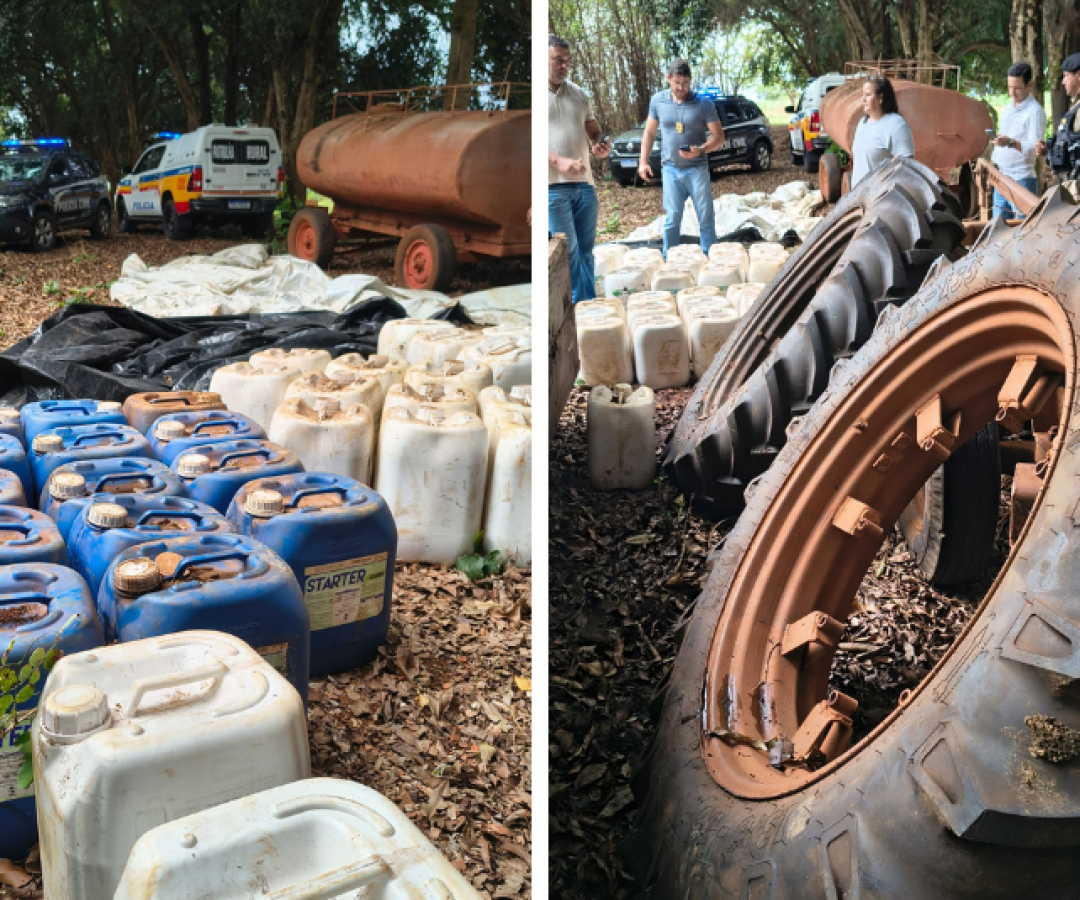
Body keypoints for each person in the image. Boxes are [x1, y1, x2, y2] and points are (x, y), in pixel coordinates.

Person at [638, 59, 724, 258]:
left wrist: (701, 150)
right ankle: (670, 259)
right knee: (672, 218)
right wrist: (643, 162)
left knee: (705, 218)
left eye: (685, 83)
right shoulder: (657, 101)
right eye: (677, 83)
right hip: (670, 169)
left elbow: (719, 137)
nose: (681, 88)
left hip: (697, 169)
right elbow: (649, 133)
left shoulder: (704, 104)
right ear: (668, 79)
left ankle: (710, 258)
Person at [548, 34, 610, 303]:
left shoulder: (579, 95)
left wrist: (599, 145)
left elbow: (593, 131)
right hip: (552, 188)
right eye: (557, 60)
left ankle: (589, 309)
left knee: (585, 251)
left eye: (567, 61)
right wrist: (558, 162)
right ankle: (572, 313)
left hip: (585, 186)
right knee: (568, 252)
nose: (564, 66)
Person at [990, 62, 1046, 219]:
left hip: (1022, 179)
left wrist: (1010, 142)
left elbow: (1036, 148)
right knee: (997, 230)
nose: (1012, 92)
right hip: (1002, 177)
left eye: (1017, 88)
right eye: (1010, 87)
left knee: (1021, 232)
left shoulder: (1035, 112)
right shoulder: (1007, 108)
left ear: (1029, 85)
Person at [850, 75, 915, 187]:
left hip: (882, 200)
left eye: (868, 95)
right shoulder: (862, 123)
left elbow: (906, 168)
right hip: (859, 198)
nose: (863, 100)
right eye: (863, 95)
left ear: (881, 98)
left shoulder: (896, 125)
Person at [1036, 53, 1080, 185]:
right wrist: (1050, 151)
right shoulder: (1075, 108)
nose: (1063, 82)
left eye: (1066, 76)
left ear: (1078, 75)